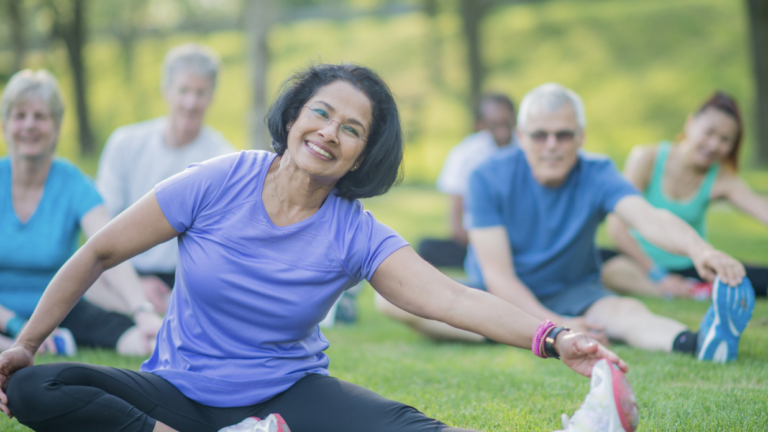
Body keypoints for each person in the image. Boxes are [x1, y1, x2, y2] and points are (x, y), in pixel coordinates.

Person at [0, 65, 629, 432]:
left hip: (285, 397)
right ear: (295, 113)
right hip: (179, 393)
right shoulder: (222, 179)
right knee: (33, 391)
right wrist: (26, 344)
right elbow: (99, 252)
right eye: (321, 113)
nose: (330, 133)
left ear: (364, 152)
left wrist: (553, 338)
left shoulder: (354, 230)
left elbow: (451, 298)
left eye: (351, 129)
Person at [377, 83, 754, 363]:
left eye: (563, 134)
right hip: (494, 298)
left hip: (577, 290)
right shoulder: (485, 176)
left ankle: (698, 343)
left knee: (627, 313)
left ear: (580, 137)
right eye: (540, 135)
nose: (552, 144)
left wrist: (699, 249)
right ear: (522, 137)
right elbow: (498, 277)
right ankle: (510, 331)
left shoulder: (597, 171)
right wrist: (557, 325)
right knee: (389, 302)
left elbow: (649, 218)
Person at [0, 69, 162, 356]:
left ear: (57, 127)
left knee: (142, 340)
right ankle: (26, 345)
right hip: (4, 316)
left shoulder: (75, 185)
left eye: (40, 116)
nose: (29, 125)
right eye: (19, 115)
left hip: (59, 312)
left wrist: (142, 311)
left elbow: (111, 245)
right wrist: (15, 325)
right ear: (5, 124)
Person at [94, 43, 235, 315]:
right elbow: (103, 224)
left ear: (212, 96)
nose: (191, 103)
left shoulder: (222, 158)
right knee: (82, 275)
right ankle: (142, 311)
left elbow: (218, 242)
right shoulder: (125, 143)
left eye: (200, 92)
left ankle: (160, 312)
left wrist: (183, 288)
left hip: (186, 277)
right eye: (184, 90)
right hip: (124, 268)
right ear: (166, 91)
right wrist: (134, 283)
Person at [601, 92, 768, 299]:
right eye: (709, 133)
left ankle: (687, 288)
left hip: (692, 265)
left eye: (725, 140)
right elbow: (616, 229)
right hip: (638, 262)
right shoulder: (646, 158)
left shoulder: (722, 179)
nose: (714, 145)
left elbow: (762, 209)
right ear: (690, 124)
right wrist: (658, 275)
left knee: (754, 277)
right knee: (604, 266)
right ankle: (675, 290)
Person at [419, 93, 517, 268]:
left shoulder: (529, 150)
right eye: (494, 124)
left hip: (519, 239)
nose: (502, 130)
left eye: (506, 123)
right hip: (478, 239)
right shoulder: (465, 154)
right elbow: (456, 223)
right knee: (426, 247)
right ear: (480, 124)